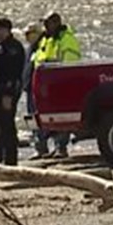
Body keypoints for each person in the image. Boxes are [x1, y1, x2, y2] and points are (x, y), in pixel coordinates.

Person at [31, 12, 83, 158]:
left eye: (48, 23)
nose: (45, 27)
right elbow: (39, 60)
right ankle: (45, 148)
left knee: (61, 117)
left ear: (56, 23)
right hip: (46, 84)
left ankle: (61, 147)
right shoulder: (47, 40)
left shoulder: (66, 39)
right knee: (45, 117)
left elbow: (70, 62)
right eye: (45, 24)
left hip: (62, 83)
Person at [22, 21, 69, 160]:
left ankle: (60, 147)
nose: (27, 36)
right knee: (33, 120)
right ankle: (40, 148)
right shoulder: (29, 49)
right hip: (31, 89)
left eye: (29, 34)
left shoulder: (45, 45)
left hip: (45, 89)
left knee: (54, 118)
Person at [0, 17, 26, 165]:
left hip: (6, 92)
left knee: (6, 125)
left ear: (7, 30)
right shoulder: (0, 47)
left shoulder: (13, 48)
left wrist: (9, 94)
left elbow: (14, 73)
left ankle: (10, 160)